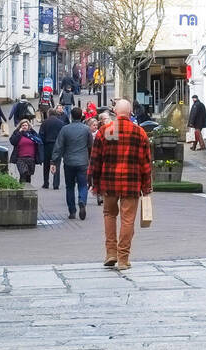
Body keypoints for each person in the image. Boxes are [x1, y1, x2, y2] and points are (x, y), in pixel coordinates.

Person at [88, 98, 152, 271]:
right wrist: (146, 187)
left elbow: (96, 159)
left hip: (109, 183)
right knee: (127, 219)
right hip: (131, 184)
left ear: (115, 112)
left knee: (109, 215)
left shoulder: (107, 130)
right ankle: (123, 258)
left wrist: (94, 182)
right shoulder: (139, 132)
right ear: (130, 113)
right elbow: (145, 163)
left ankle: (111, 253)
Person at [52, 107, 94, 220]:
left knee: (69, 186)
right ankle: (82, 201)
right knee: (82, 184)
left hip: (69, 162)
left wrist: (54, 161)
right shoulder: (86, 129)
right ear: (81, 116)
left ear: (71, 116)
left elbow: (59, 146)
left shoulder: (65, 129)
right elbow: (91, 145)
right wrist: (90, 159)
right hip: (82, 162)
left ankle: (72, 211)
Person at [39, 105, 67, 190]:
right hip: (57, 146)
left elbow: (41, 135)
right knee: (56, 164)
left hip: (47, 145)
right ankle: (56, 184)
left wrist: (42, 145)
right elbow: (63, 136)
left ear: (48, 114)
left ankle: (46, 183)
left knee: (46, 165)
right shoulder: (61, 123)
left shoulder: (44, 122)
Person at [8, 119, 43, 183]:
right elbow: (13, 141)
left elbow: (39, 142)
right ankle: (22, 188)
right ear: (20, 126)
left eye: (26, 125)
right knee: (23, 173)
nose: (24, 126)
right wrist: (19, 133)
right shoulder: (17, 133)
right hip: (20, 158)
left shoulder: (32, 133)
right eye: (23, 125)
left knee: (28, 176)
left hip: (31, 158)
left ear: (28, 126)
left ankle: (28, 189)